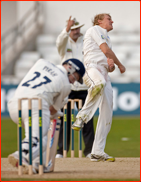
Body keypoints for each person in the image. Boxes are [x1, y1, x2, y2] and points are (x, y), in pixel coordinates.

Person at [7, 58, 85, 173]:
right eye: (76, 77)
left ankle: (37, 164)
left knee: (38, 136)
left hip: (14, 104)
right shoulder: (66, 86)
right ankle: (21, 153)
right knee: (42, 141)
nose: (74, 82)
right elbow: (52, 109)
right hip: (36, 106)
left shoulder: (40, 63)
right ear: (70, 68)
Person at [72, 13, 126, 162]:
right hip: (91, 70)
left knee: (107, 112)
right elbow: (106, 51)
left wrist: (111, 67)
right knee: (98, 84)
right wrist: (120, 65)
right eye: (109, 19)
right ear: (99, 21)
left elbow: (109, 64)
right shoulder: (95, 30)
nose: (112, 21)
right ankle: (81, 117)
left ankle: (97, 151)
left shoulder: (107, 38)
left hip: (104, 74)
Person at [56, 16, 94, 158]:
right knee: (64, 120)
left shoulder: (86, 42)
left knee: (87, 120)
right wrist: (66, 29)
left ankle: (89, 150)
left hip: (85, 88)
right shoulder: (64, 45)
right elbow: (59, 41)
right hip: (68, 88)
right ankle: (61, 151)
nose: (76, 31)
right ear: (69, 31)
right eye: (73, 29)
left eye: (78, 28)